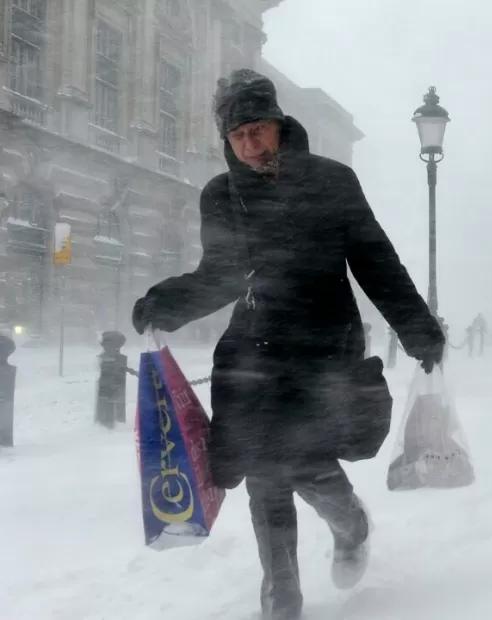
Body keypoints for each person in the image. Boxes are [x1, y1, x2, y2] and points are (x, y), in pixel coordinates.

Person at [131, 69, 445, 620]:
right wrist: (165, 304)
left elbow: (375, 261)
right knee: (265, 477)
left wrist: (417, 328)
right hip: (253, 357)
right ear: (226, 142)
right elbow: (222, 275)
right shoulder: (221, 195)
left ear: (278, 125)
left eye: (258, 131)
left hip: (325, 353)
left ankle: (351, 524)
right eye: (238, 137)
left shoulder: (332, 181)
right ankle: (283, 603)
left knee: (307, 465)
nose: (250, 146)